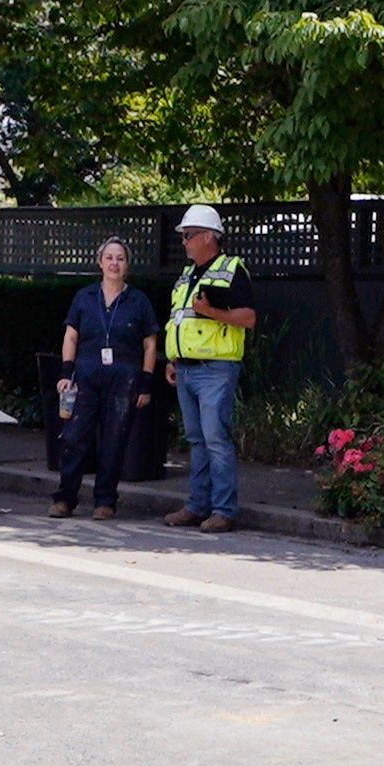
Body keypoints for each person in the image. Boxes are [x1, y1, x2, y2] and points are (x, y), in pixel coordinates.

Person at [163, 199, 255, 530]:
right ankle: (198, 505)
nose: (184, 241)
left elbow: (248, 317)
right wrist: (173, 359)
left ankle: (224, 510)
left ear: (208, 236)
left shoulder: (232, 268)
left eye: (188, 235)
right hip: (186, 368)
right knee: (197, 440)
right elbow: (179, 320)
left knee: (215, 439)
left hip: (216, 368)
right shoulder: (188, 274)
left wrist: (212, 312)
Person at [57, 235, 157, 517]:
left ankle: (105, 501)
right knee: (75, 438)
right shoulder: (84, 297)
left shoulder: (138, 300)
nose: (115, 263)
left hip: (123, 381)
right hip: (86, 378)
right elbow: (71, 336)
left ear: (127, 266)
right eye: (109, 258)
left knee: (114, 441)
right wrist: (66, 373)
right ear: (100, 262)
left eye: (120, 258)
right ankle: (65, 498)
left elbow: (149, 344)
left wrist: (145, 383)